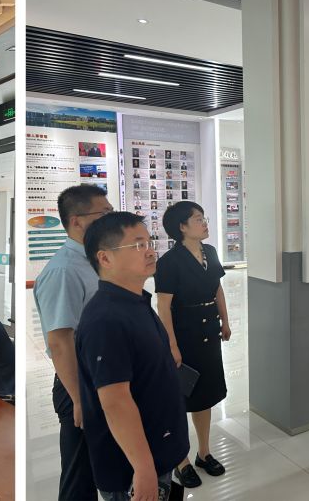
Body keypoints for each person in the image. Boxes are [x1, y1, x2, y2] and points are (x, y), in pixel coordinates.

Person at [73, 212, 187, 501]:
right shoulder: (105, 319)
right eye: (137, 245)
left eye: (149, 242)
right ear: (105, 258)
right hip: (130, 469)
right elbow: (115, 401)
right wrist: (144, 468)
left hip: (157, 449)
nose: (150, 251)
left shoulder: (135, 301)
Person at [34, 184, 110, 500]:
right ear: (77, 221)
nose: (111, 219)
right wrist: (80, 399)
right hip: (80, 381)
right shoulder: (63, 270)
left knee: (104, 464)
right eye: (103, 214)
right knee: (80, 476)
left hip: (105, 375)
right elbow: (60, 341)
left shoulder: (97, 259)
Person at [154, 201, 232, 488]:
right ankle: (181, 460)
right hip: (184, 335)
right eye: (198, 219)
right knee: (179, 398)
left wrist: (225, 321)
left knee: (205, 395)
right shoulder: (169, 262)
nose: (204, 222)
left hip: (209, 332)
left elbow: (217, 289)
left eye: (203, 217)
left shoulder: (210, 252)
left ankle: (204, 452)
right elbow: (164, 306)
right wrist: (172, 345)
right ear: (182, 227)